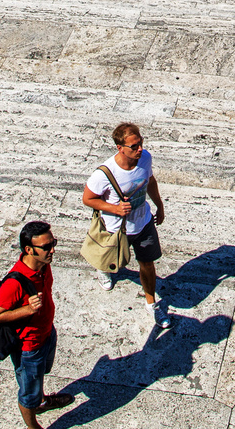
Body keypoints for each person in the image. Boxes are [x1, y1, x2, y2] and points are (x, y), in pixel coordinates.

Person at [82, 122, 170, 323]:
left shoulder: (145, 158)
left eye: (141, 143)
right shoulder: (103, 174)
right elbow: (88, 199)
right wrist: (114, 208)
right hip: (116, 229)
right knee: (112, 261)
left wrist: (159, 205)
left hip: (143, 223)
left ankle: (151, 304)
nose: (140, 149)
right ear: (119, 148)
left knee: (147, 264)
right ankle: (103, 270)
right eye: (134, 146)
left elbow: (150, 181)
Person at [0, 220, 72, 429]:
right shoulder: (15, 283)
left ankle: (42, 401)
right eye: (46, 247)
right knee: (28, 393)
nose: (52, 250)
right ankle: (33, 425)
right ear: (29, 249)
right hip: (30, 346)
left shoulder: (43, 266)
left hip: (46, 334)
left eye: (53, 243)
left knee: (38, 379)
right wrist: (27, 310)